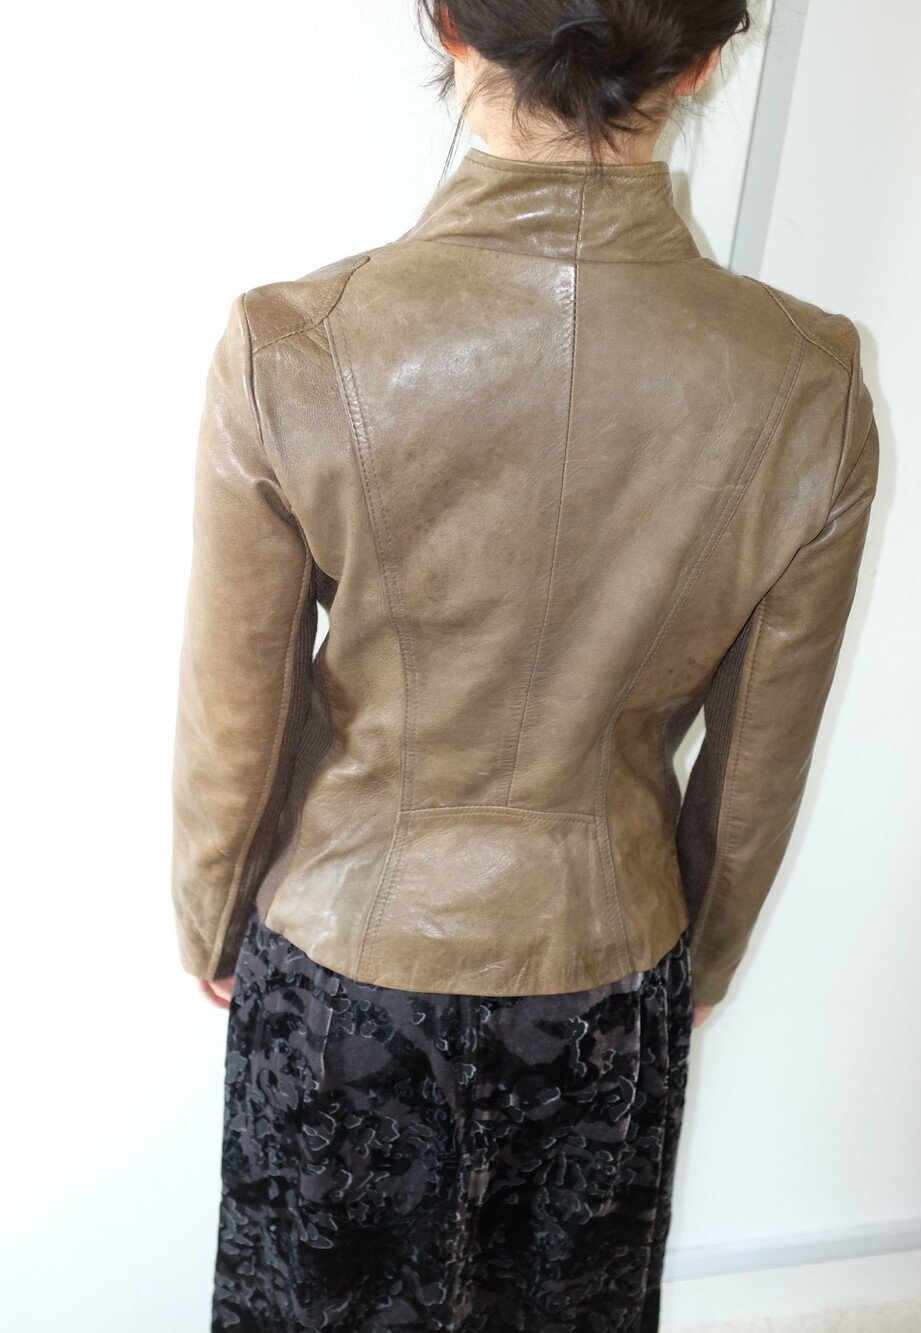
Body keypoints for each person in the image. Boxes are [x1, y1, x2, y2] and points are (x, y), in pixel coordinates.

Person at [170, 2, 879, 1329]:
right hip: (607, 972)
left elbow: (237, 712)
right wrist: (702, 958)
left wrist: (212, 915)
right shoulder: (808, 383)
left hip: (341, 976)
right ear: (703, 60)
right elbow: (757, 763)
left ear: (448, 26)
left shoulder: (292, 345)